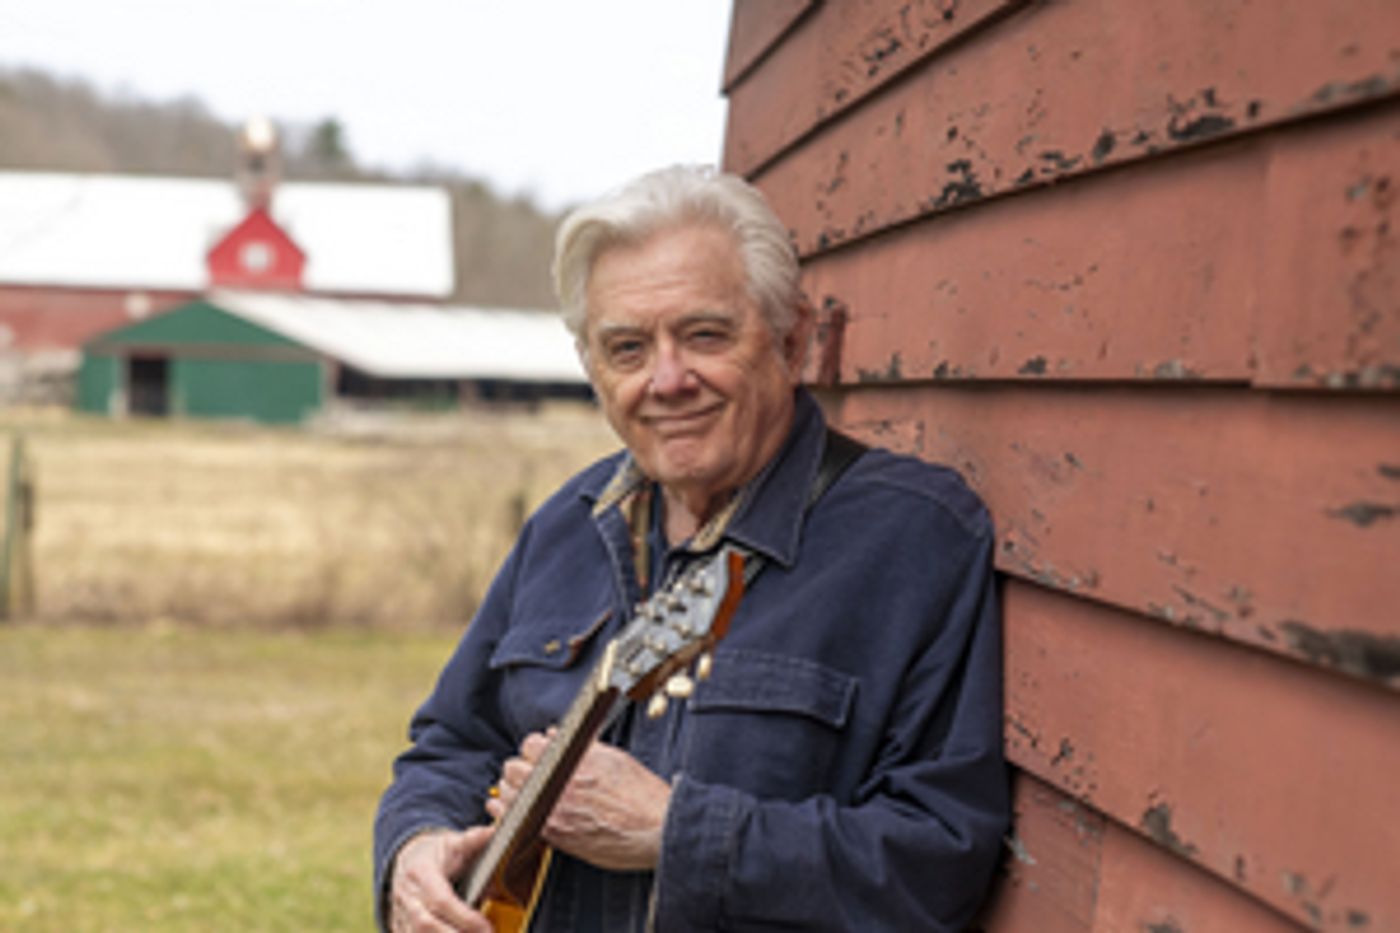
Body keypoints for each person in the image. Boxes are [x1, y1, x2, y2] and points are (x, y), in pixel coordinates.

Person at [374, 165, 1008, 932]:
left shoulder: (911, 538)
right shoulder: (564, 528)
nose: (667, 380)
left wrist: (679, 833)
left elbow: (938, 860)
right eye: (628, 348)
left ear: (793, 338)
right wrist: (415, 846)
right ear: (592, 369)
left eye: (705, 335)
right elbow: (452, 743)